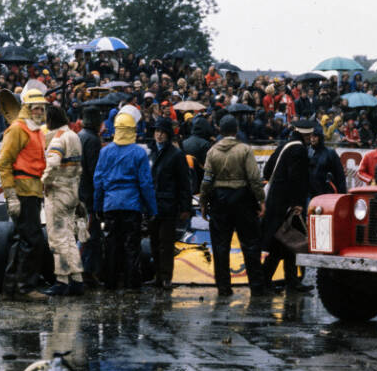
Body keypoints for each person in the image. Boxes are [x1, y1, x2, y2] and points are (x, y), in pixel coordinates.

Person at [198, 114, 267, 297]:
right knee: (250, 244)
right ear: (236, 131)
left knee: (221, 246)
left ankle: (223, 287)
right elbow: (254, 178)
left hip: (220, 200)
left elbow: (206, 181)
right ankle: (257, 286)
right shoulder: (245, 149)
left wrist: (204, 202)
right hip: (243, 199)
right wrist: (261, 200)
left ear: (220, 130)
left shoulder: (212, 152)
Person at [93, 111, 157, 290]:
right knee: (131, 246)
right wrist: (151, 208)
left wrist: (98, 206)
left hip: (111, 204)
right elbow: (145, 183)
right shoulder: (139, 153)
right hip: (132, 205)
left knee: (111, 245)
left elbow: (98, 181)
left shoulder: (105, 152)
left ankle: (110, 282)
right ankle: (132, 284)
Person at [0, 87, 50, 302]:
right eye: (35, 108)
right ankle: (24, 287)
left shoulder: (35, 130)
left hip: (32, 189)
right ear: (27, 109)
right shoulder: (18, 129)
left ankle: (11, 288)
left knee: (22, 240)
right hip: (23, 189)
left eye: (42, 108)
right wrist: (11, 195)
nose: (39, 111)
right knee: (31, 240)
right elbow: (4, 163)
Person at [260, 120, 311, 292]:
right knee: (283, 241)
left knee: (288, 242)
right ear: (306, 135)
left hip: (276, 200)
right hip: (287, 204)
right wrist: (297, 203)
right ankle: (269, 281)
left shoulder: (284, 146)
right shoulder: (299, 150)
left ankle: (290, 280)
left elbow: (267, 171)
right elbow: (296, 179)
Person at [42, 105, 84, 296]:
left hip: (58, 191)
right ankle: (77, 279)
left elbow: (52, 164)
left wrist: (44, 182)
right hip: (72, 189)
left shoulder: (58, 138)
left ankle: (62, 280)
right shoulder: (74, 136)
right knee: (69, 236)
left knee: (57, 237)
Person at [148, 116, 193, 290]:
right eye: (157, 132)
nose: (159, 135)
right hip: (153, 203)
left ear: (168, 135)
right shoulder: (152, 152)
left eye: (162, 132)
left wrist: (185, 207)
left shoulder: (176, 155)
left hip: (168, 204)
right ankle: (157, 276)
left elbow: (184, 183)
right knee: (154, 242)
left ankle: (166, 277)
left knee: (165, 243)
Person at [78, 107, 103, 284]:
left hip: (78, 192)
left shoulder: (79, 136)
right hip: (89, 195)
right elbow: (95, 171)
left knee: (82, 233)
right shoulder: (93, 140)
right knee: (89, 235)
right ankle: (84, 272)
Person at [308, 122, 346, 198]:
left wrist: (342, 196)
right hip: (310, 194)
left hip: (326, 194)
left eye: (315, 136)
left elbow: (340, 176)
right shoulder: (308, 152)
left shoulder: (330, 153)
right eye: (311, 136)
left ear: (320, 137)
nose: (312, 139)